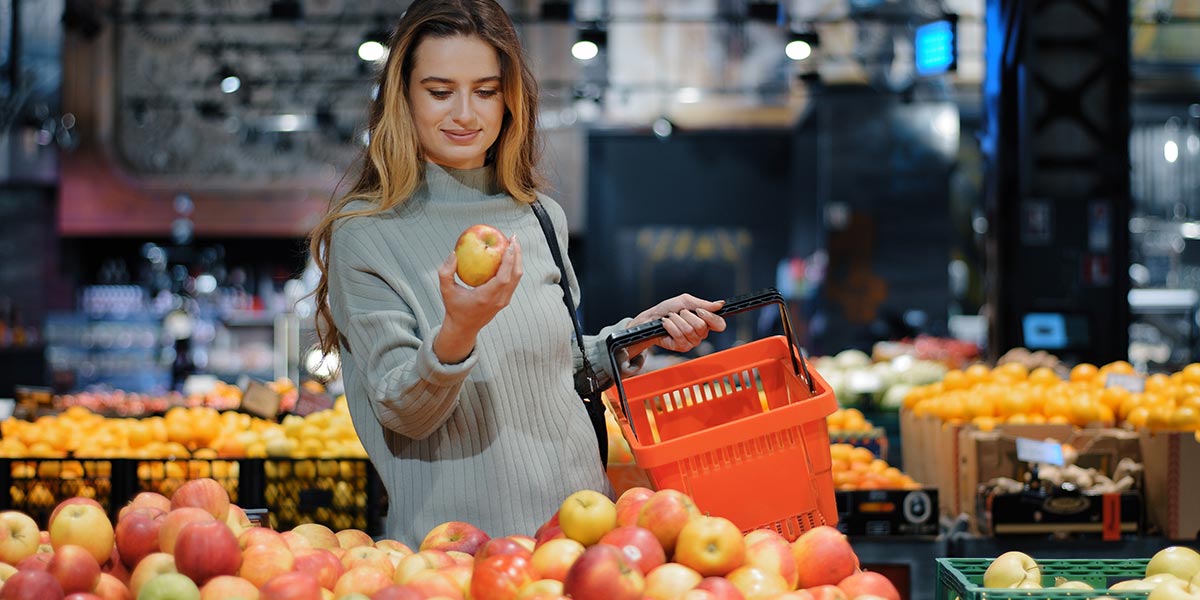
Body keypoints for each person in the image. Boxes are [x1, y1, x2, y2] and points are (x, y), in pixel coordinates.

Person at [308, 0, 726, 546]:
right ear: (402, 98)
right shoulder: (366, 234)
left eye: (485, 91)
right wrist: (459, 330)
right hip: (460, 555)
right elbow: (402, 411)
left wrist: (635, 334)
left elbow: (548, 367)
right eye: (440, 92)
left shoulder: (539, 216)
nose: (465, 113)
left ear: (510, 99)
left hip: (580, 539)